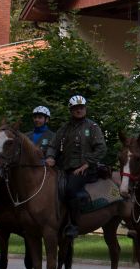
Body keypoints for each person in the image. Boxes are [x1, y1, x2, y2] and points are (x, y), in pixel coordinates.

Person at [45, 95, 107, 239]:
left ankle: (73, 224)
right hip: (64, 168)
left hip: (85, 168)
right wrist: (50, 157)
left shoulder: (92, 127)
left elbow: (101, 148)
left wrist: (87, 163)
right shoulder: (64, 128)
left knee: (71, 189)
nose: (79, 110)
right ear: (71, 110)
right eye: (75, 108)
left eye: (81, 107)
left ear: (85, 109)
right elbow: (52, 145)